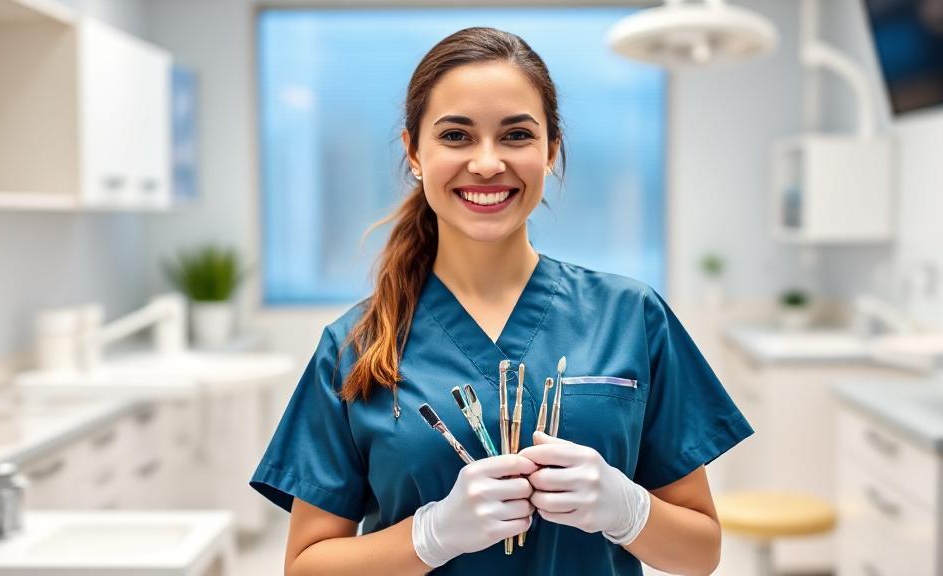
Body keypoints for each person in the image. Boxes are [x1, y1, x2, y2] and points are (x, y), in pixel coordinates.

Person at [250, 26, 753, 576]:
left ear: (550, 150)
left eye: (516, 135)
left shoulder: (631, 316)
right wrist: (430, 536)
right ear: (413, 152)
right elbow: (305, 566)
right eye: (456, 136)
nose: (487, 163)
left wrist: (627, 510)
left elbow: (701, 553)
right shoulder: (357, 344)